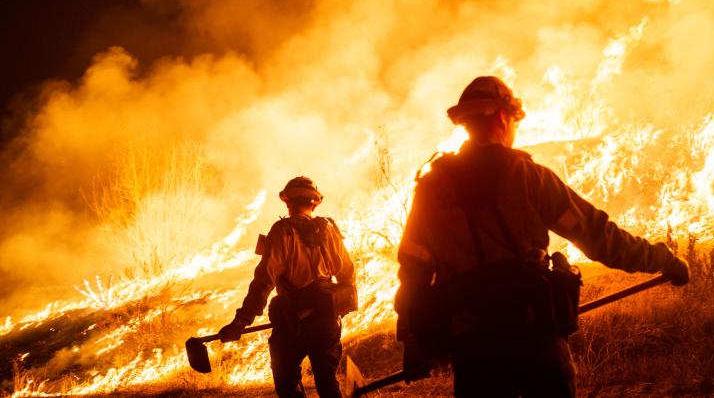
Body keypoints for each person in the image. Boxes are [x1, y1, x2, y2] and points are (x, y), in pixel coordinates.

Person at [394, 76, 689, 398]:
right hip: (532, 333)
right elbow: (597, 236)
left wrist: (412, 338)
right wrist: (663, 259)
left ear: (465, 121)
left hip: (473, 342)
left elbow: (413, 269)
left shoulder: (432, 188)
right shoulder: (529, 177)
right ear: (503, 116)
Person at [219, 176, 357, 398]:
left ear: (287, 203)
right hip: (326, 320)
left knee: (287, 385)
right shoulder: (330, 230)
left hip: (292, 322)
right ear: (315, 203)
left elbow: (264, 281)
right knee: (327, 383)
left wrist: (240, 322)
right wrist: (338, 309)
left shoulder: (282, 231)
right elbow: (348, 275)